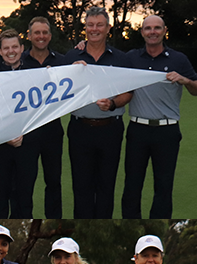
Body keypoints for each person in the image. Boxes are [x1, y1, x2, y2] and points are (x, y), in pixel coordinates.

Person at [121, 15, 197, 219]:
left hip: (167, 131)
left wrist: (185, 80)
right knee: (132, 185)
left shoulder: (178, 59)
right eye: (148, 28)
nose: (153, 32)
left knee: (164, 186)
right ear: (142, 32)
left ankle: (156, 229)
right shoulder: (131, 58)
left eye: (157, 28)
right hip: (138, 129)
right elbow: (106, 62)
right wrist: (83, 44)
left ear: (164, 30)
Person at [62, 7, 133, 218]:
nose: (94, 29)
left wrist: (112, 103)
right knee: (81, 186)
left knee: (106, 185)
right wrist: (71, 73)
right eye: (90, 25)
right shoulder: (73, 56)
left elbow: (129, 92)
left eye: (99, 25)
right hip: (79, 129)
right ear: (85, 28)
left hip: (110, 130)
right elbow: (57, 89)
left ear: (108, 28)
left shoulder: (121, 58)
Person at [19, 17, 65, 219]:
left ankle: (54, 222)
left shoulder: (62, 61)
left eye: (45, 32)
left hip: (52, 131)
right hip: (26, 131)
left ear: (50, 35)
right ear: (29, 36)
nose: (41, 36)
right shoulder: (19, 61)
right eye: (36, 33)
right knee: (25, 182)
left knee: (54, 181)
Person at [0, 29, 26, 219]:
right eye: (6, 48)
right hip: (1, 145)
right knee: (1, 195)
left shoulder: (34, 72)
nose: (11, 51)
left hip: (26, 144)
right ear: (0, 51)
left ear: (22, 48)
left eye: (14, 47)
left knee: (23, 197)